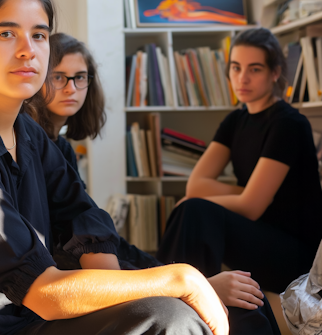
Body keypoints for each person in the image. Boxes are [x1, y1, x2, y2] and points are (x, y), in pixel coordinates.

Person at [0, 0, 229, 335]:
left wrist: (134, 292)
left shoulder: (30, 135)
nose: (28, 49)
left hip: (38, 318)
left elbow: (81, 213)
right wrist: (180, 279)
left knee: (193, 309)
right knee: (170, 317)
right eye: (7, 33)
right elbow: (45, 293)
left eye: (39, 35)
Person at [31, 32, 279, 334]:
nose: (71, 88)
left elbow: (112, 244)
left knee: (248, 302)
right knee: (241, 309)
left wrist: (186, 278)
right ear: (38, 79)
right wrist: (184, 283)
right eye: (58, 77)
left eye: (79, 77)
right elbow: (79, 255)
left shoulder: (63, 147)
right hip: (77, 288)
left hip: (101, 277)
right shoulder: (36, 147)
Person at [157, 27, 322, 296]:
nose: (242, 78)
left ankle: (177, 297)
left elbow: (250, 207)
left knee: (193, 211)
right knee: (190, 209)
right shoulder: (235, 121)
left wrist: (250, 197)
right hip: (260, 232)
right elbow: (197, 185)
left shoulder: (288, 124)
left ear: (274, 73)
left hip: (294, 253)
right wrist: (247, 193)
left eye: (255, 69)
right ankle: (172, 295)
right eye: (236, 68)